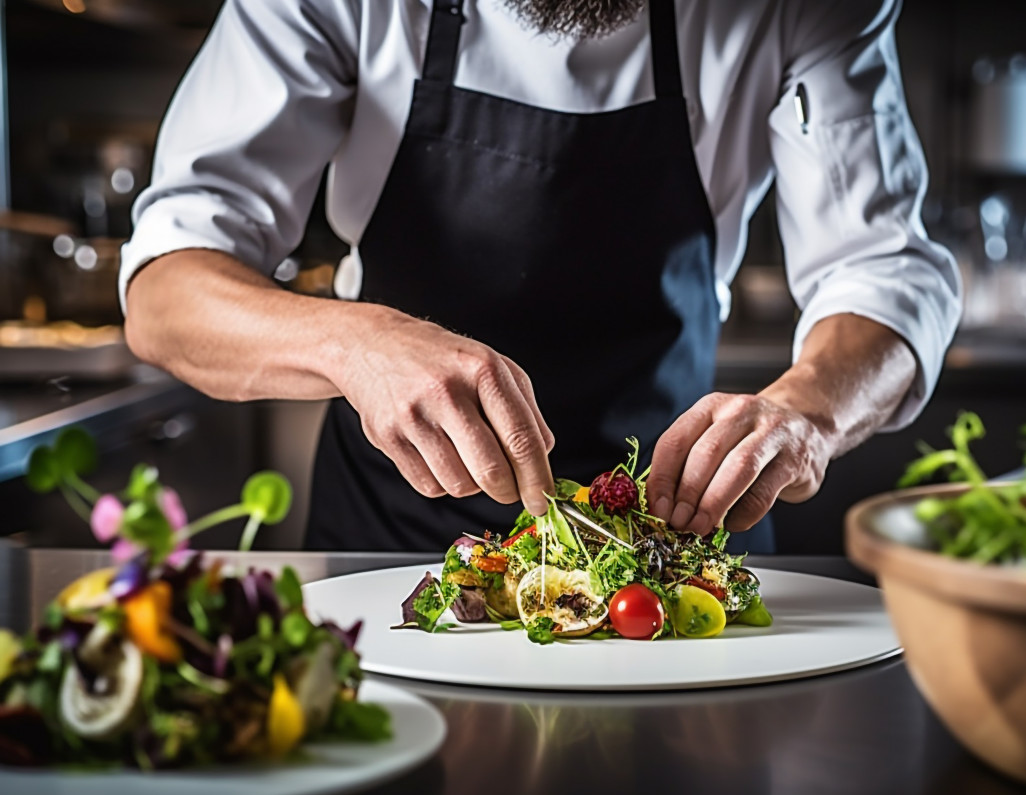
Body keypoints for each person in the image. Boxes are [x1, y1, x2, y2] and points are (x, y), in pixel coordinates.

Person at [120, 0, 961, 553]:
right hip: (393, 542)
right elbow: (166, 292)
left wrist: (806, 413)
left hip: (676, 541)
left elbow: (882, 265)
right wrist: (357, 341)